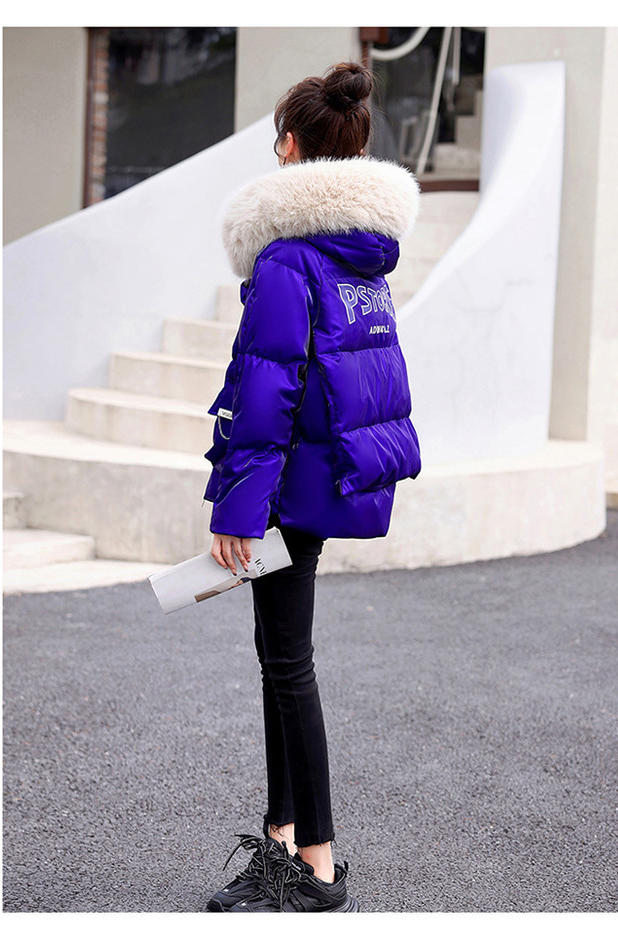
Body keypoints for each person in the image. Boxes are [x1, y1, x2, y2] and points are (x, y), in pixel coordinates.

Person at [201, 61, 421, 913]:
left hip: (288, 485)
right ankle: (283, 839)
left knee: (288, 664)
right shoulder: (361, 257)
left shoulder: (290, 256)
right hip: (326, 477)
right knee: (278, 658)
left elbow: (269, 388)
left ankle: (318, 867)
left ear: (290, 147)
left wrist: (238, 506)